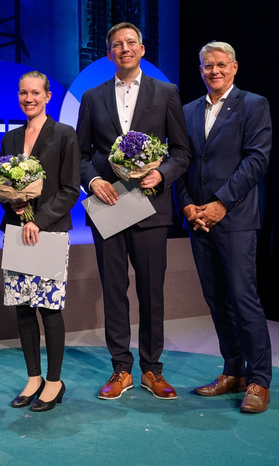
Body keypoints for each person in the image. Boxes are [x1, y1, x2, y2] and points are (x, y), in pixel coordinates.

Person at [77, 22, 191, 401]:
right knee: (114, 289)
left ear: (142, 49)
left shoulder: (166, 92)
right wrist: (92, 181)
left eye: (130, 43)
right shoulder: (92, 98)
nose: (124, 49)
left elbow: (181, 152)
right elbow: (79, 155)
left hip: (149, 207)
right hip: (108, 207)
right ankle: (120, 369)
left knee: (151, 291)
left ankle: (152, 371)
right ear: (109, 53)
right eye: (116, 45)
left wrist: (161, 175)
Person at [174, 41, 273, 413]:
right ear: (200, 70)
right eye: (207, 66)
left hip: (234, 219)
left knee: (243, 299)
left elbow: (256, 160)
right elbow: (179, 161)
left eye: (220, 65)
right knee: (217, 301)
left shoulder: (253, 104)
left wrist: (220, 204)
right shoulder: (187, 111)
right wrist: (186, 205)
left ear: (234, 67)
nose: (214, 71)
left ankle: (259, 380)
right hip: (197, 221)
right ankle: (233, 371)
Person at [0, 71, 80, 412]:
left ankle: (54, 381)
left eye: (35, 92)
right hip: (17, 231)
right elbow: (1, 183)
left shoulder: (64, 135)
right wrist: (14, 205)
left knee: (48, 309)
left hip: (50, 231)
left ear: (48, 96)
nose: (28, 98)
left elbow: (70, 189)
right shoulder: (10, 138)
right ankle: (33, 378)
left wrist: (39, 220)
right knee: (23, 309)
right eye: (22, 93)